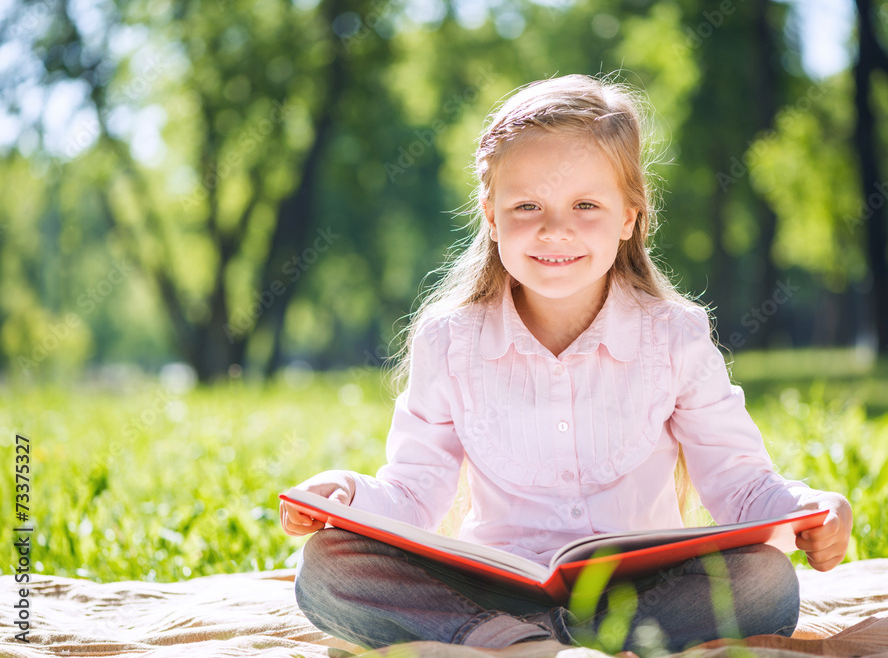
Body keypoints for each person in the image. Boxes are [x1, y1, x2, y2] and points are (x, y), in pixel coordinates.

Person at [279, 73, 852, 655]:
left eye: (586, 204)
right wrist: (347, 496)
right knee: (328, 569)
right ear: (492, 215)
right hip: (493, 590)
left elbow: (740, 483)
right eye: (527, 205)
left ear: (629, 216)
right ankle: (525, 642)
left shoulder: (674, 337)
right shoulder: (449, 341)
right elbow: (412, 492)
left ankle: (530, 646)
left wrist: (807, 509)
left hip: (644, 593)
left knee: (764, 580)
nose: (556, 229)